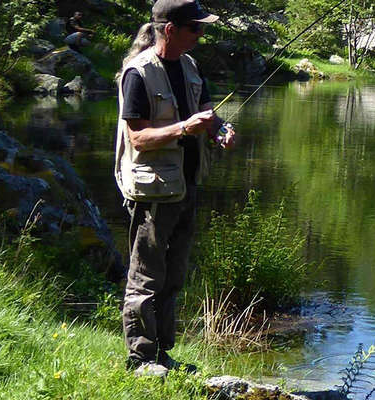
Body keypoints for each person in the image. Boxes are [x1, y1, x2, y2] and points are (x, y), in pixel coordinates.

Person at [114, 0, 236, 377]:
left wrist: (220, 130)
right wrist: (185, 128)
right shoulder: (138, 73)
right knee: (146, 278)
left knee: (174, 274)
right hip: (152, 192)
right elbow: (138, 137)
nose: (201, 34)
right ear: (170, 30)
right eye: (195, 28)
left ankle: (162, 355)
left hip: (186, 185)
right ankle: (140, 358)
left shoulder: (190, 65)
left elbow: (207, 112)